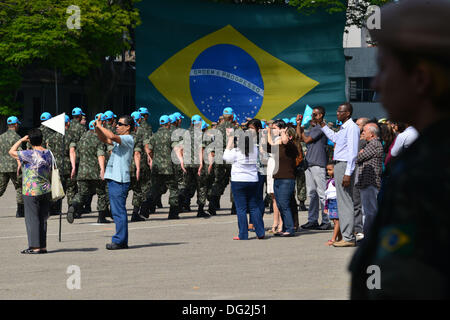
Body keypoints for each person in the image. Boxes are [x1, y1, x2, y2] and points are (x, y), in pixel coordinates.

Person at [349, 0, 450, 299]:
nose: (377, 84)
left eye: (383, 68)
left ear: (421, 78)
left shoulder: (427, 173)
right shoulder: (425, 155)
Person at [319, 102, 360, 247]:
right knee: (342, 202)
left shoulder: (352, 128)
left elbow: (353, 153)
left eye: (340, 111)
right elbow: (335, 138)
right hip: (339, 164)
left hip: (345, 165)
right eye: (337, 111)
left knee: (345, 202)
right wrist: (322, 124)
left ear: (348, 113)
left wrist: (348, 173)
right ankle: (346, 235)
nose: (337, 113)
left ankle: (348, 237)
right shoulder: (344, 127)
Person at [94, 114, 135, 250]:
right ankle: (121, 240)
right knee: (117, 211)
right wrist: (97, 127)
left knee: (119, 212)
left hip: (120, 179)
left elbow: (111, 136)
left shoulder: (128, 138)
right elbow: (104, 138)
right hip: (114, 178)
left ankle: (120, 240)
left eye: (120, 124)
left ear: (128, 127)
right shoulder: (120, 140)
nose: (117, 126)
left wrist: (101, 126)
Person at [9, 129, 52, 254]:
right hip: (45, 188)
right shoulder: (48, 153)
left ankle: (35, 246)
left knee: (32, 218)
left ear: (30, 141)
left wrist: (21, 140)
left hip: (31, 189)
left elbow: (11, 151)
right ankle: (42, 246)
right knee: (42, 218)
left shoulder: (28, 153)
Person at [223, 127, 264, 240]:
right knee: (254, 207)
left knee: (241, 209)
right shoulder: (254, 150)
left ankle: (243, 234)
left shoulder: (236, 151)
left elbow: (226, 157)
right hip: (252, 180)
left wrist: (230, 139)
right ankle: (260, 232)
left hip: (239, 180)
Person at [67, 120, 110, 224]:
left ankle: (73, 206)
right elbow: (101, 154)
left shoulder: (82, 139)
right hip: (95, 172)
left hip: (82, 172)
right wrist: (102, 169)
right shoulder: (98, 138)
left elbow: (76, 155)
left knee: (82, 193)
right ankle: (101, 217)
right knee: (102, 193)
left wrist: (75, 168)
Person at [297, 107, 331, 231]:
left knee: (322, 194)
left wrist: (301, 130)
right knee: (312, 194)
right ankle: (313, 220)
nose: (312, 116)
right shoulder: (313, 128)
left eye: (315, 114)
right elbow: (300, 138)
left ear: (321, 115)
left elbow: (306, 139)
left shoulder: (322, 127)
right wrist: (299, 125)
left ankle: (326, 220)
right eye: (312, 114)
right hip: (309, 164)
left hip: (318, 163)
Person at [141, 115, 180, 219]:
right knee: (173, 189)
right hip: (169, 168)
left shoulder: (154, 135)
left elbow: (149, 150)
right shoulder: (172, 135)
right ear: (168, 124)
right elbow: (176, 148)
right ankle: (173, 213)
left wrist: (153, 159)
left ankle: (145, 209)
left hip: (156, 167)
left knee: (154, 188)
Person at [268, 120, 299, 237]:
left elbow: (285, 140)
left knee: (285, 204)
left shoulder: (291, 146)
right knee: (280, 204)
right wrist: (269, 132)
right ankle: (285, 227)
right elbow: (270, 144)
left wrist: (283, 132)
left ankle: (290, 228)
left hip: (287, 179)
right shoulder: (278, 147)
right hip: (278, 178)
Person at [355, 123, 384, 237]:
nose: (362, 133)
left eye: (364, 131)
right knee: (366, 210)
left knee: (369, 211)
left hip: (370, 182)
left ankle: (370, 236)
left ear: (371, 134)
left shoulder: (374, 144)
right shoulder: (371, 144)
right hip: (366, 181)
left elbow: (358, 158)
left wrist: (360, 153)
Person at [0, 116, 24, 218]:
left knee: (0, 188)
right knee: (19, 187)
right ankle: (20, 211)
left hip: (2, 166)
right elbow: (19, 153)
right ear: (15, 125)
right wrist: (20, 165)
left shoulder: (1, 137)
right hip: (15, 167)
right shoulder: (17, 138)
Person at [324, 163, 341, 246]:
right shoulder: (329, 181)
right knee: (334, 221)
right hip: (331, 202)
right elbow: (327, 195)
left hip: (336, 202)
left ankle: (333, 239)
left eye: (330, 170)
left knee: (336, 221)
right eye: (327, 170)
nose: (328, 172)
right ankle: (340, 238)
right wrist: (326, 206)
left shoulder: (335, 181)